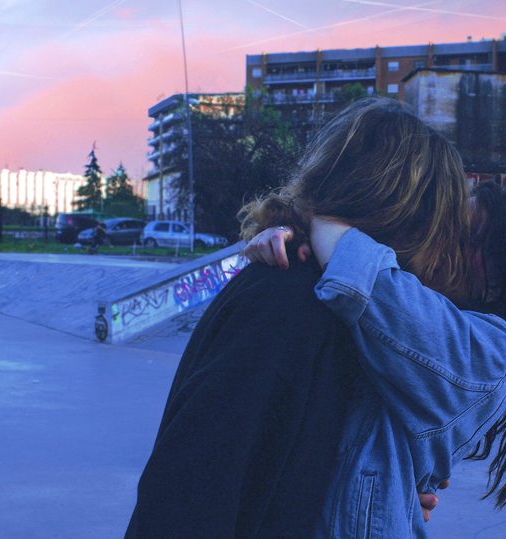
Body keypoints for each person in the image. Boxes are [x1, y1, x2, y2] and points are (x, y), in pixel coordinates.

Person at [125, 97, 472, 537]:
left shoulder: (344, 316)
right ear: (407, 217)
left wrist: (387, 488)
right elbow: (187, 496)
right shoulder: (288, 303)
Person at [245, 180, 506, 535]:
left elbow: (359, 281)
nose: (438, 235)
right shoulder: (396, 313)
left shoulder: (493, 355)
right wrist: (288, 236)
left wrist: (308, 222)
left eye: (462, 234)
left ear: (502, 276)